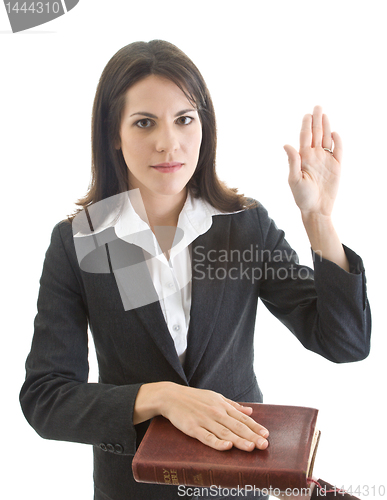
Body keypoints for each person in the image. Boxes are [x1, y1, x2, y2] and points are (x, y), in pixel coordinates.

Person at [20, 40, 371, 500]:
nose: (169, 143)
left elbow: (344, 342)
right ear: (113, 134)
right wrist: (159, 396)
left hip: (237, 487)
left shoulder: (243, 226)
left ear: (203, 126)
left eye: (184, 119)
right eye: (144, 123)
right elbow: (47, 399)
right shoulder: (86, 240)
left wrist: (319, 221)